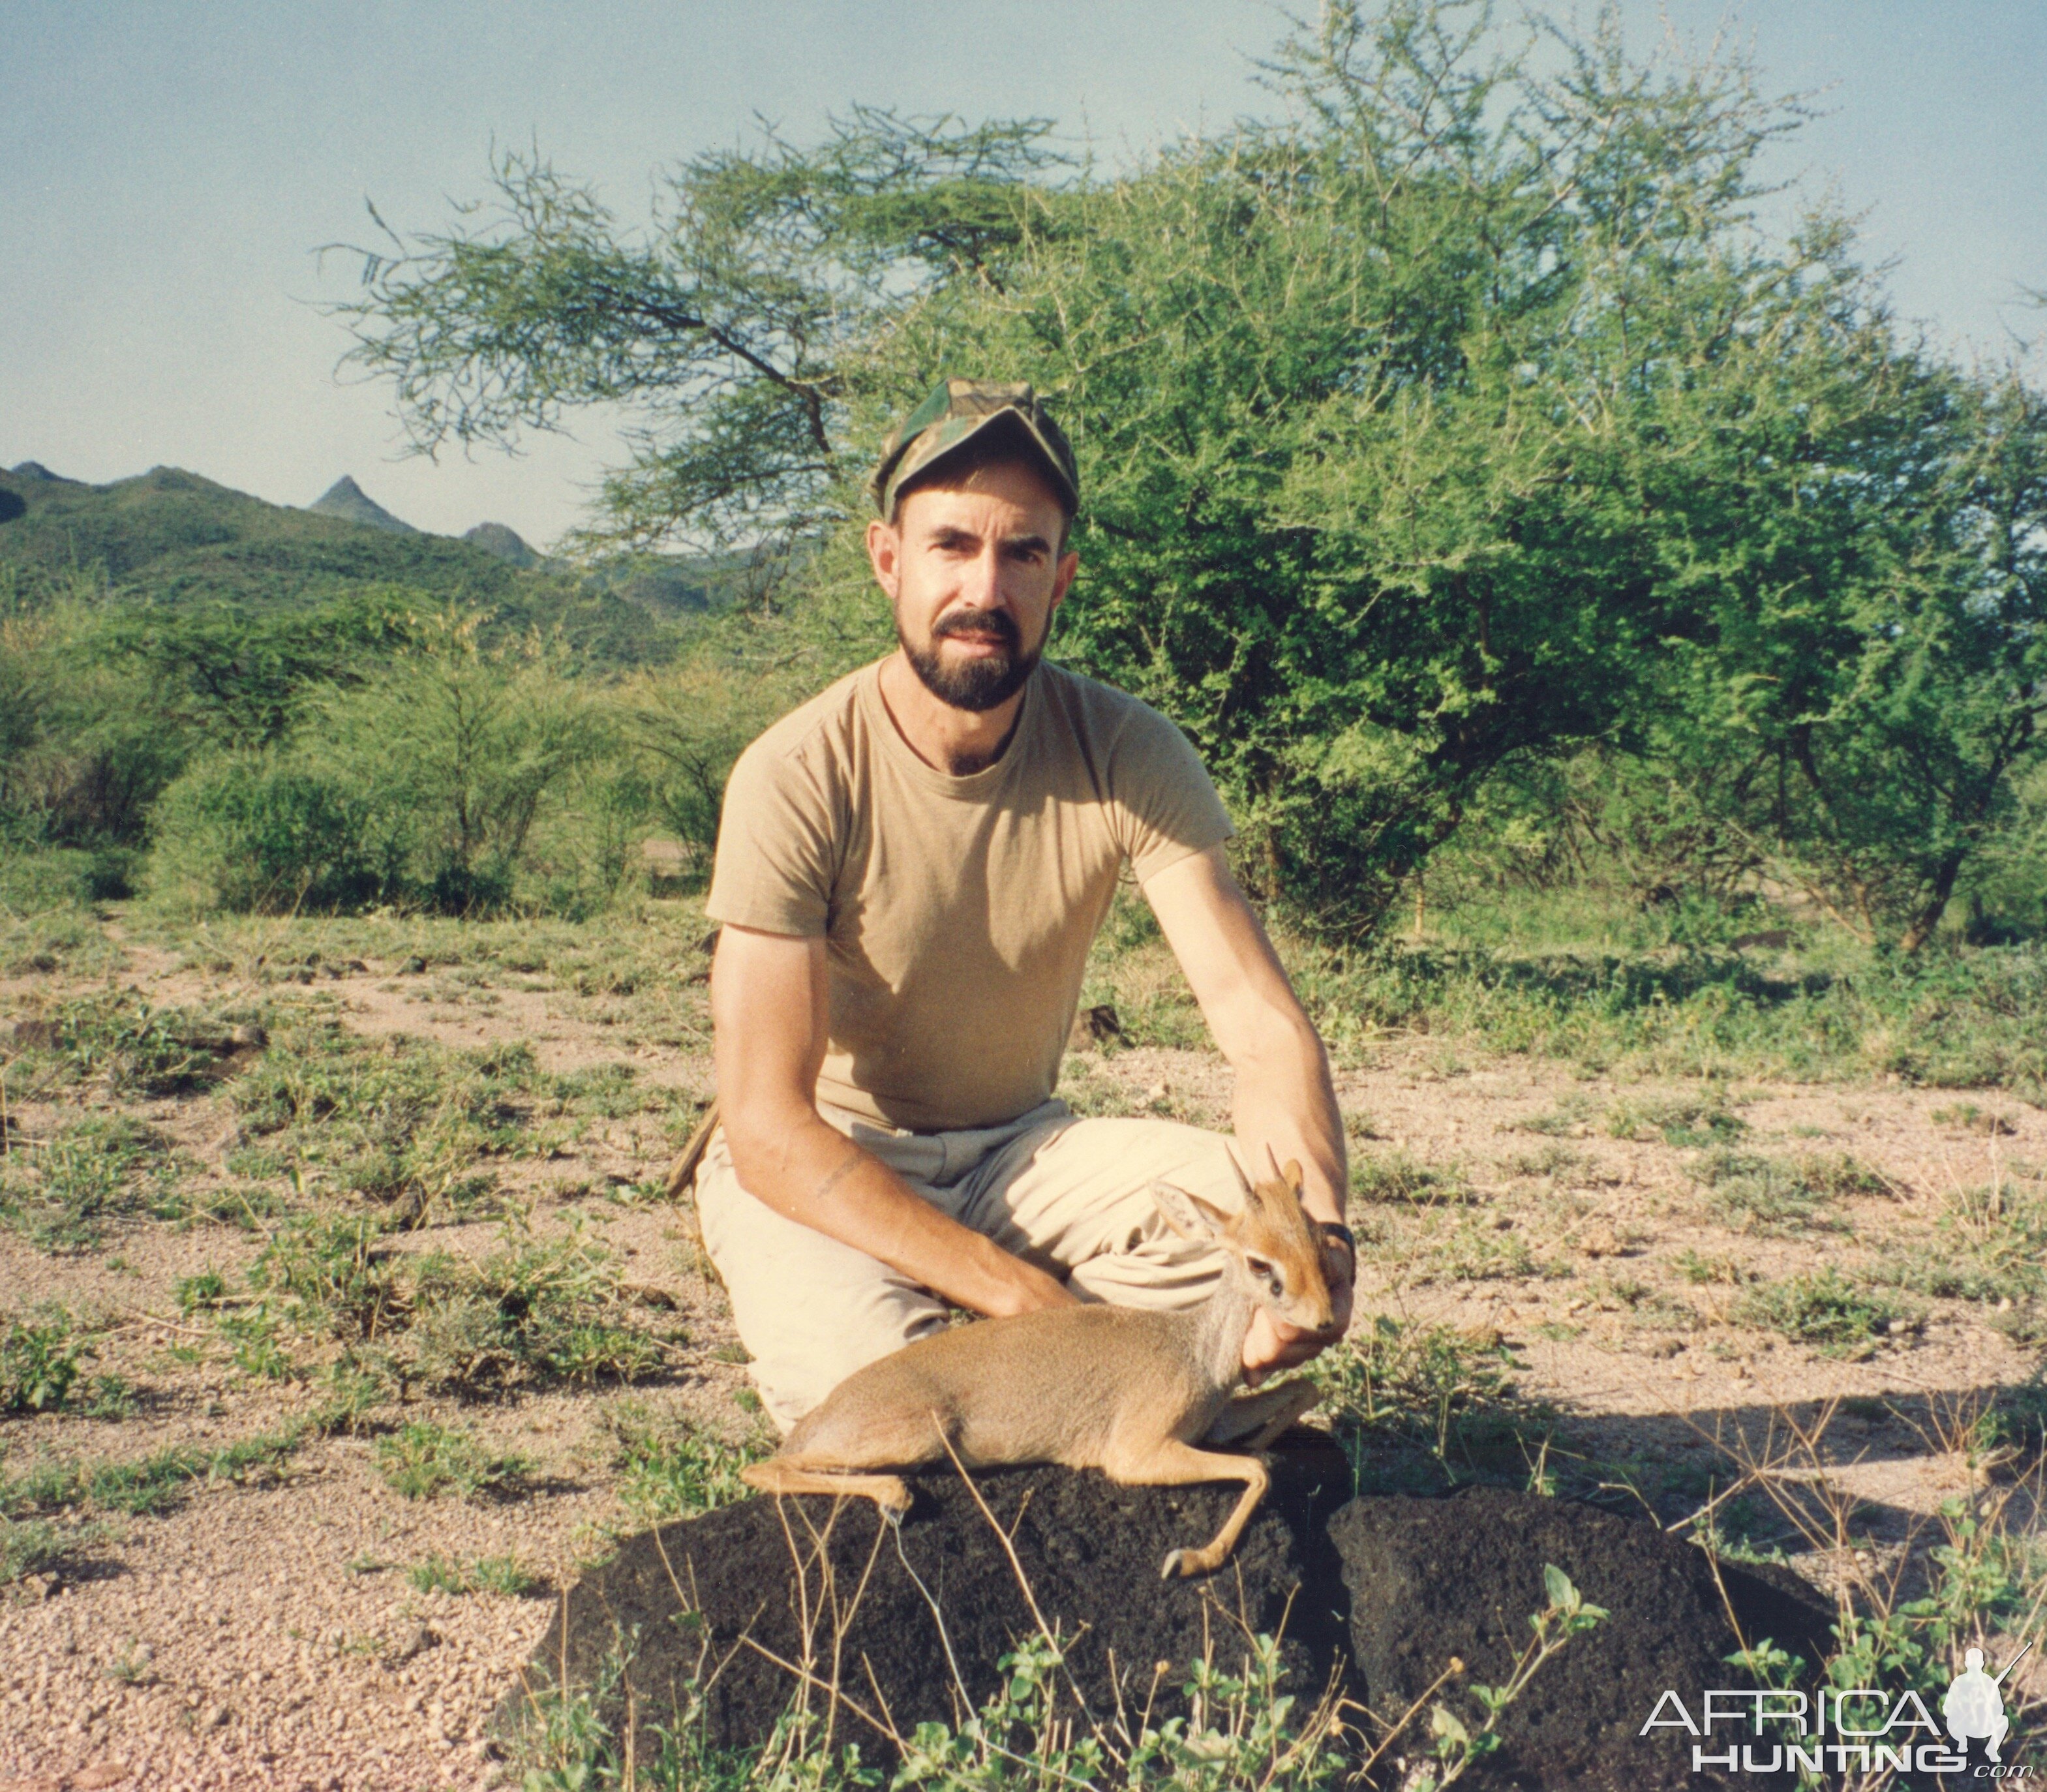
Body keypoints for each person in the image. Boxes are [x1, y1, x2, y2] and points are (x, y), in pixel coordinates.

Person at [691, 376, 1355, 1432]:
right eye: (951, 546)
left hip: (1021, 1152)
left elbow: (1261, 1031)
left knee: (1243, 1238)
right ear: (887, 561)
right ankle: (1061, 1375)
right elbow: (768, 1126)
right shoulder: (796, 771)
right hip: (836, 1159)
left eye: (1023, 554)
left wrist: (1316, 1239)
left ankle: (1083, 1389)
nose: (984, 587)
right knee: (893, 1407)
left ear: (1062, 579)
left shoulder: (1129, 750)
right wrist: (1018, 1297)